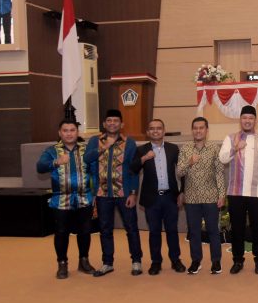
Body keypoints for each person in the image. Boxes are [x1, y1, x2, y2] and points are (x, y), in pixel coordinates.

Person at [84, 109, 141, 277]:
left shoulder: (129, 143)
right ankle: (107, 263)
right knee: (105, 229)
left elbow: (134, 170)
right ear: (104, 123)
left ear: (121, 124)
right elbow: (86, 159)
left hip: (124, 193)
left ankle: (136, 261)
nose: (112, 123)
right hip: (102, 194)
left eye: (116, 121)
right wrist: (102, 148)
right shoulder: (95, 141)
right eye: (109, 120)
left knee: (131, 228)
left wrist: (133, 193)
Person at [36, 119, 97, 279]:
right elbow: (40, 167)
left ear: (77, 132)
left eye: (72, 130)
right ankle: (62, 263)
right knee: (61, 232)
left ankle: (84, 261)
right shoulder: (51, 151)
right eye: (65, 130)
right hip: (61, 200)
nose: (69, 133)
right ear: (60, 133)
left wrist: (95, 194)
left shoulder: (86, 150)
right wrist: (56, 162)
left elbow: (95, 172)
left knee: (85, 231)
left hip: (84, 198)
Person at [219, 105, 258, 275]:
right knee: (237, 229)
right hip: (236, 193)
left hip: (257, 193)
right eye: (244, 118)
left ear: (255, 121)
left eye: (251, 118)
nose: (247, 121)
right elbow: (222, 158)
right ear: (240, 120)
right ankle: (237, 260)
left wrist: (256, 175)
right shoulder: (230, 138)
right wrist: (235, 148)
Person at [130, 119, 186, 276]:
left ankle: (175, 260)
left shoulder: (173, 149)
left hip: (170, 197)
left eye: (159, 128)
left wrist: (182, 191)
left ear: (164, 130)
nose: (155, 131)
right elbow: (132, 169)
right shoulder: (142, 150)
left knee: (172, 230)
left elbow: (182, 171)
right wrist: (144, 158)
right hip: (151, 198)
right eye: (152, 128)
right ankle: (156, 262)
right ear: (148, 132)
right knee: (154, 232)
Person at [177, 117, 226, 275]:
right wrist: (189, 162)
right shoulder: (185, 149)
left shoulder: (214, 148)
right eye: (195, 128)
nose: (198, 131)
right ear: (192, 130)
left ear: (206, 130)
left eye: (201, 128)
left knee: (213, 231)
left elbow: (219, 173)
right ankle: (196, 261)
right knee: (194, 232)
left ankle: (216, 261)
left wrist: (222, 194)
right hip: (191, 198)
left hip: (211, 197)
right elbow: (179, 172)